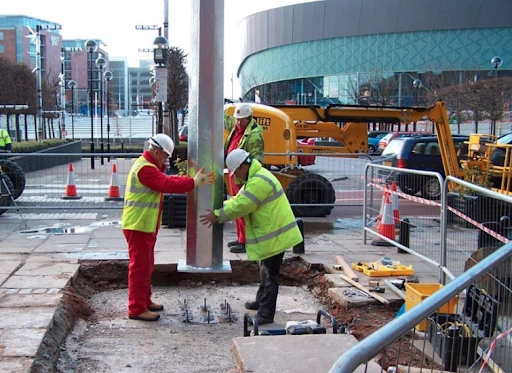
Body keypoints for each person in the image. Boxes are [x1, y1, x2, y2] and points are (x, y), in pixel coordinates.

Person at [200, 149, 303, 325]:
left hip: (275, 235)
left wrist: (218, 215)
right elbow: (238, 199)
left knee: (270, 275)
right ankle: (260, 301)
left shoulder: (258, 181)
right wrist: (221, 207)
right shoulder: (255, 178)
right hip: (273, 233)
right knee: (265, 270)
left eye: (236, 172)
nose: (236, 177)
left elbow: (243, 205)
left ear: (243, 166)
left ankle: (265, 314)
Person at [122, 133, 215, 322]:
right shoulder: (145, 169)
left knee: (145, 266)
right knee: (140, 268)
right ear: (156, 152)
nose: (166, 160)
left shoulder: (148, 166)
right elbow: (167, 183)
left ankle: (144, 301)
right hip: (138, 225)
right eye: (165, 156)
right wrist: (194, 182)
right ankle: (136, 308)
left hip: (143, 225)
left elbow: (164, 178)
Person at [224, 103, 264, 253]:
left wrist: (250, 180)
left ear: (249, 118)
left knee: (243, 209)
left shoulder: (253, 136)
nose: (238, 123)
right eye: (237, 120)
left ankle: (246, 241)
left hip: (242, 177)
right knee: (237, 207)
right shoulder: (236, 127)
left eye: (241, 120)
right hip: (235, 174)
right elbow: (225, 120)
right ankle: (241, 237)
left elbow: (257, 160)